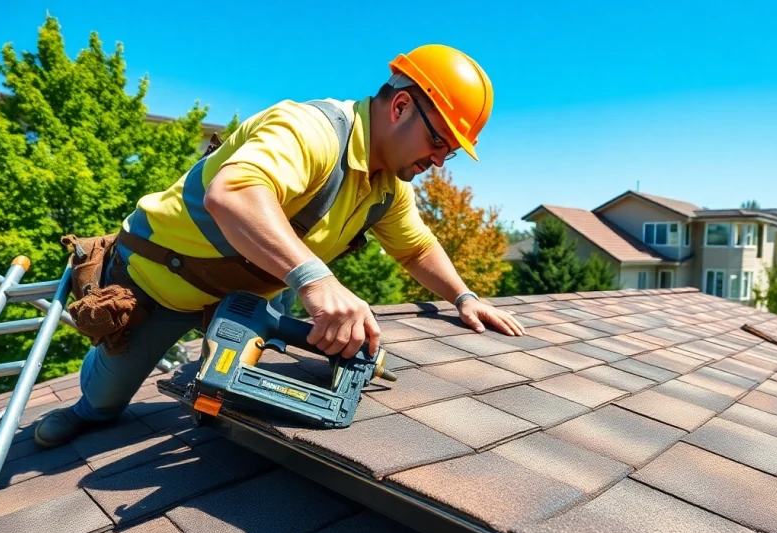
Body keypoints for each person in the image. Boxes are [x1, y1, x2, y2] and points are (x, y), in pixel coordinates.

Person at [34, 45, 525, 448]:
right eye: (439, 141)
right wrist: (317, 280)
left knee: (222, 403)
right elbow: (234, 193)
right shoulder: (311, 130)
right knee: (106, 395)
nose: (440, 160)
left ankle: (207, 396)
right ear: (400, 108)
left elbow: (416, 249)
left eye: (452, 152)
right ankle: (88, 412)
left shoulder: (387, 189)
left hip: (245, 301)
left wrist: (465, 297)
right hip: (161, 283)